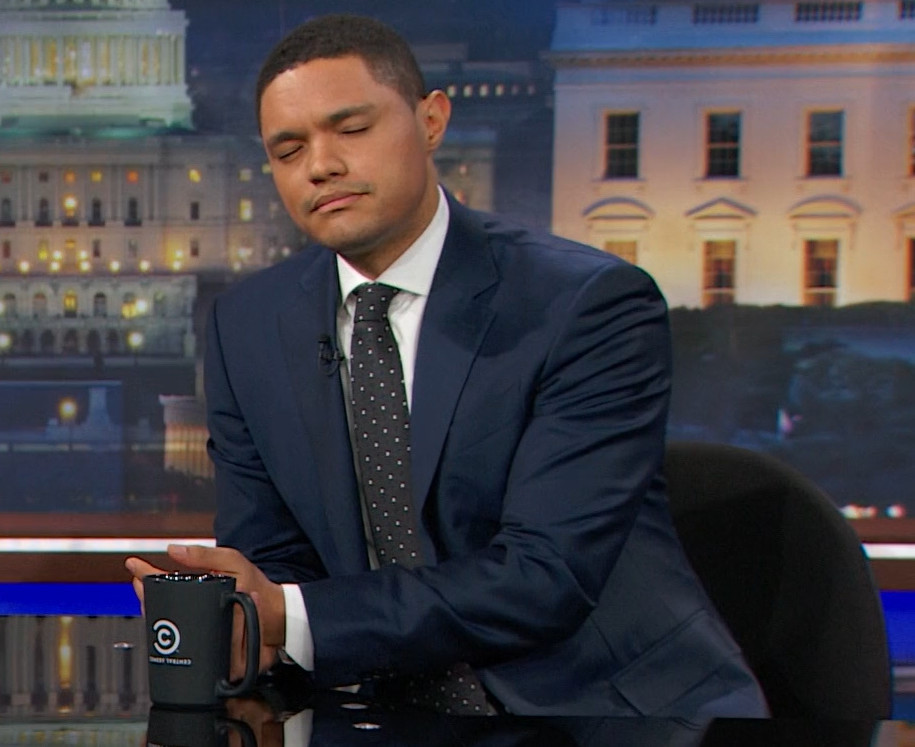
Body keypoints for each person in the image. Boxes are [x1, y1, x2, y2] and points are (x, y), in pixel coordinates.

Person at [126, 13, 767, 719]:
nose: (320, 165)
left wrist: (291, 617)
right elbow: (274, 558)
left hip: (603, 714)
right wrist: (246, 613)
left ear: (431, 121)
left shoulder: (584, 304)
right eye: (288, 149)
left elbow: (543, 577)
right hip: (375, 712)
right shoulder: (247, 326)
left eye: (351, 128)